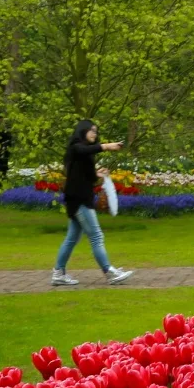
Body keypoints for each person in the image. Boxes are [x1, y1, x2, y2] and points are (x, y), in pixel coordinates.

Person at [52, 120, 133, 286]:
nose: (94, 134)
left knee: (71, 238)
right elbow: (84, 150)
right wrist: (107, 146)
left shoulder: (85, 154)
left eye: (95, 131)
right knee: (96, 236)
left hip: (79, 198)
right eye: (91, 131)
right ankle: (109, 272)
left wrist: (98, 173)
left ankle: (58, 273)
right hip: (79, 200)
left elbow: (84, 176)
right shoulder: (76, 147)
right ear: (82, 131)